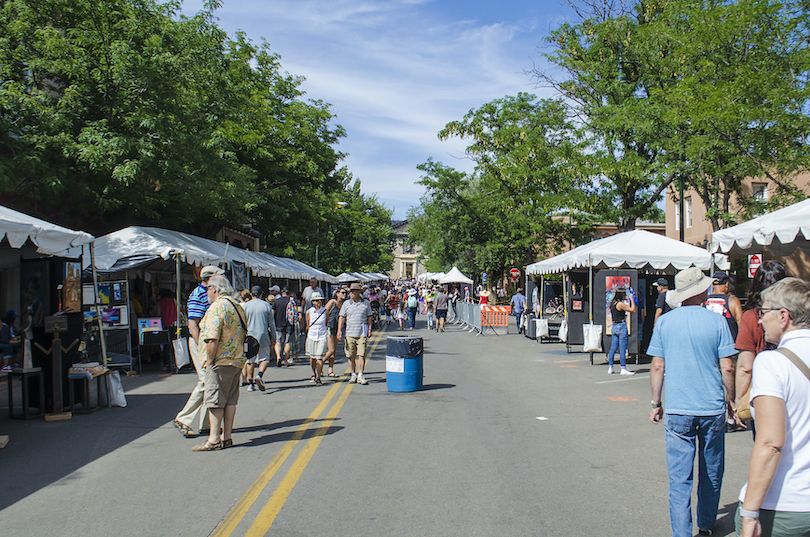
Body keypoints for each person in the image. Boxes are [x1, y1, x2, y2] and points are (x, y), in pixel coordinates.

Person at [648, 267, 737, 537]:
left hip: (677, 406)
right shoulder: (717, 321)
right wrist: (731, 400)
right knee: (711, 471)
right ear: (701, 291)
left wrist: (655, 402)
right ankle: (706, 523)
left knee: (679, 478)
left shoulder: (665, 322)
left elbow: (657, 366)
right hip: (711, 406)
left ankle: (681, 532)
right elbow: (728, 367)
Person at [735, 278, 810, 537]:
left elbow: (770, 443)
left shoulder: (772, 362)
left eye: (763, 312)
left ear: (784, 316)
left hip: (785, 504)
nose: (759, 320)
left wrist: (750, 513)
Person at [192, 275, 246, 451]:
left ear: (215, 289)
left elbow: (212, 337)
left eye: (208, 289)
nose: (207, 292)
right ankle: (227, 437)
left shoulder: (217, 307)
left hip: (220, 360)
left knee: (215, 401)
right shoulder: (237, 306)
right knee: (231, 400)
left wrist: (208, 361)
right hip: (236, 359)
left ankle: (214, 439)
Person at [734, 260, 788, 432]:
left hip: (764, 390)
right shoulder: (796, 313)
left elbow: (745, 367)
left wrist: (738, 400)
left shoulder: (751, 317)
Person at [174, 265, 224, 438]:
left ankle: (206, 424)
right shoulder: (197, 294)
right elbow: (193, 324)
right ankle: (183, 418)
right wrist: (200, 345)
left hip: (208, 340)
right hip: (200, 341)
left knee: (210, 382)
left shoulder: (212, 293)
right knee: (205, 381)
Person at [337, 282, 373, 385]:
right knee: (350, 355)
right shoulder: (346, 304)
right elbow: (342, 317)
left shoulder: (366, 303)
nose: (351, 294)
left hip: (362, 332)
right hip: (349, 332)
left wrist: (370, 328)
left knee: (361, 354)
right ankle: (353, 374)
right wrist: (339, 330)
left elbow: (369, 316)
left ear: (358, 293)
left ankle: (360, 374)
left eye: (353, 292)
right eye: (350, 292)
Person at [243, 285, 276, 392]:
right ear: (261, 294)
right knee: (265, 358)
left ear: (251, 294)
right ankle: (259, 375)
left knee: (250, 360)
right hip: (263, 335)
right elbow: (271, 323)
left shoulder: (245, 306)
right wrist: (274, 337)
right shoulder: (266, 305)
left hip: (249, 336)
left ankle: (251, 383)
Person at [705, 271, 743, 341]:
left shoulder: (704, 301)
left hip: (709, 344)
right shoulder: (733, 301)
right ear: (727, 284)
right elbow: (742, 326)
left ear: (712, 285)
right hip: (729, 346)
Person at [607, 288, 637, 375]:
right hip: (621, 326)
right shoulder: (620, 304)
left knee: (613, 347)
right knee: (623, 348)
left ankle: (610, 367)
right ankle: (623, 368)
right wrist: (632, 299)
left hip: (614, 326)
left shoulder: (612, 303)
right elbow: (633, 310)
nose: (625, 296)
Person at [305, 292, 328, 385]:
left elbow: (325, 323)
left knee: (319, 358)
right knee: (312, 358)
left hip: (322, 335)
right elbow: (308, 325)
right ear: (312, 302)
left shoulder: (325, 311)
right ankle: (313, 373)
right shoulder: (309, 312)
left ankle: (318, 377)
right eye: (315, 300)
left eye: (319, 300)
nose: (317, 302)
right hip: (312, 335)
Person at [323, 287, 346, 378]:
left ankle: (330, 370)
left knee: (334, 351)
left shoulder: (344, 305)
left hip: (337, 329)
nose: (344, 294)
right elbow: (325, 312)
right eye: (342, 292)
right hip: (329, 327)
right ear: (337, 294)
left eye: (345, 293)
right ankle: (319, 364)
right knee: (331, 350)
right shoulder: (332, 302)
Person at [273, 287, 294, 367]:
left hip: (278, 324)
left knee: (278, 342)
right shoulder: (291, 301)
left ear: (282, 292)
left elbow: (273, 313)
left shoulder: (277, 301)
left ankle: (278, 356)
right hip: (289, 324)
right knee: (287, 342)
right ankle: (285, 360)